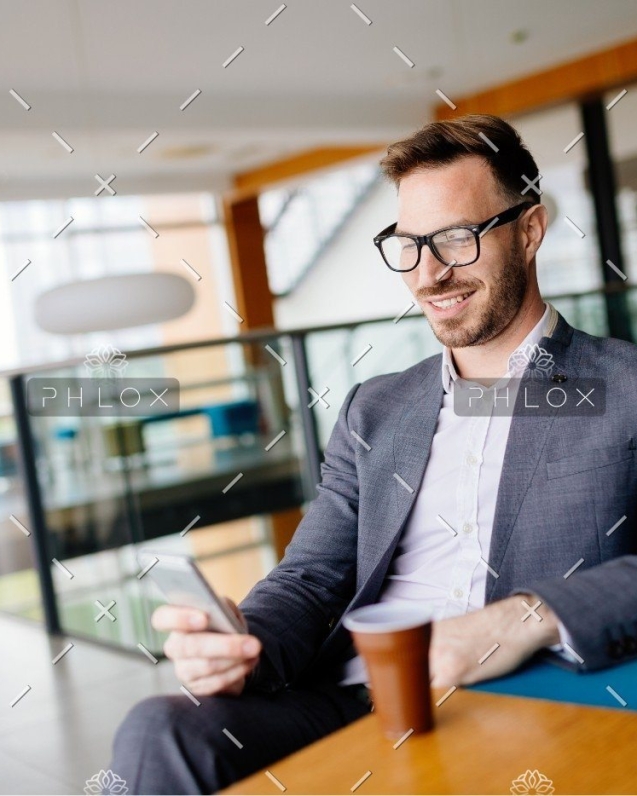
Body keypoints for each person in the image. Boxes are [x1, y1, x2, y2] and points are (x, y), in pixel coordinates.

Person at [108, 114, 637, 794]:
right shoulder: (377, 408)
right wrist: (241, 642)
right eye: (409, 245)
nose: (430, 273)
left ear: (528, 230)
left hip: (524, 698)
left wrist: (523, 617)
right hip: (356, 698)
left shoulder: (618, 387)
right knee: (160, 730)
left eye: (456, 238)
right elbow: (309, 578)